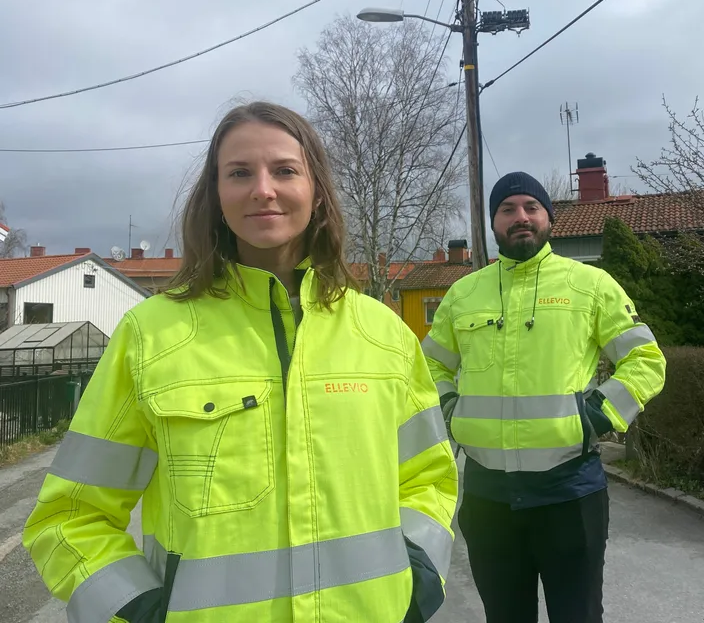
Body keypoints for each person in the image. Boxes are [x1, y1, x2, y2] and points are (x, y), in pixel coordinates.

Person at [22, 102, 458, 623]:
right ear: (216, 195)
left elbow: (429, 480)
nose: (263, 189)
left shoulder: (384, 333)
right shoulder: (150, 335)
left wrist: (417, 577)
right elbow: (70, 516)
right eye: (239, 173)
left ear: (316, 191)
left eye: (284, 170)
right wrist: (140, 609)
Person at [422, 171, 667, 623]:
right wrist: (449, 410)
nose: (521, 217)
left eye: (531, 208)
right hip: (488, 494)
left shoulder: (591, 285)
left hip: (569, 492)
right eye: (508, 209)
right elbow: (430, 367)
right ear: (493, 221)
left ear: (549, 219)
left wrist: (599, 414)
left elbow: (647, 361)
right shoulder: (462, 294)